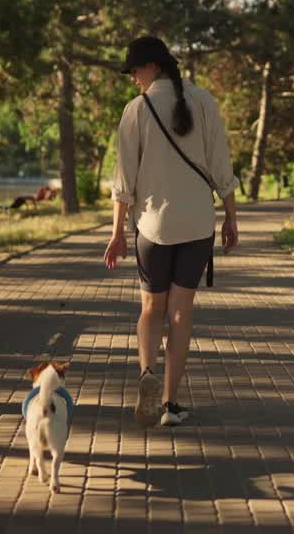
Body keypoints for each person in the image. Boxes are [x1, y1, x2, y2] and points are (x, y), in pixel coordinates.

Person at [104, 36, 240, 427]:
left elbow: (124, 182)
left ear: (155, 66)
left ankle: (147, 374)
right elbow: (221, 167)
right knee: (181, 313)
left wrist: (118, 234)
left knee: (151, 308)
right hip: (197, 223)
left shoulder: (136, 111)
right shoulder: (205, 102)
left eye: (135, 69)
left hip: (152, 226)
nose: (132, 77)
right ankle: (170, 403)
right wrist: (231, 218)